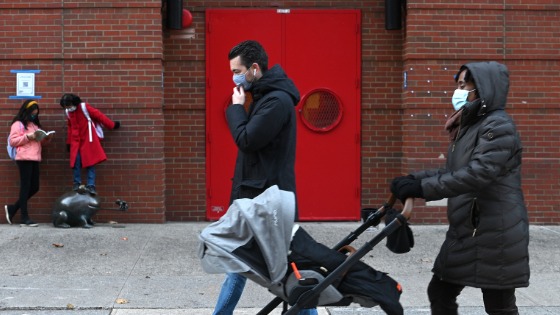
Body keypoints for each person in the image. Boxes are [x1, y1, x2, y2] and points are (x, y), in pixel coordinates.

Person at [390, 61, 529, 315]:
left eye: (464, 84)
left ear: (484, 88)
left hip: (495, 231)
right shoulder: (469, 126)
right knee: (440, 292)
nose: (459, 90)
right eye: (458, 84)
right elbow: (454, 172)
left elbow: (478, 174)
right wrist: (414, 179)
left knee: (499, 307)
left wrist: (423, 189)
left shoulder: (497, 126)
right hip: (468, 228)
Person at [212, 40, 316, 315]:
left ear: (254, 68)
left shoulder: (276, 101)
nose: (233, 76)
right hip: (259, 197)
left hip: (267, 200)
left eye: (237, 70)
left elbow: (247, 139)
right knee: (246, 264)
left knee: (277, 269)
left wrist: (236, 108)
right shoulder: (265, 97)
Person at [5, 99, 54, 226]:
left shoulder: (34, 125)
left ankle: (13, 209)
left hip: (35, 158)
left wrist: (46, 138)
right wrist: (28, 136)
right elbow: (13, 141)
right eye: (32, 113)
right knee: (25, 187)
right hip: (24, 158)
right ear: (26, 111)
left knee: (35, 187)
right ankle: (24, 218)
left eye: (36, 113)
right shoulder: (18, 124)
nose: (34, 115)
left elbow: (37, 141)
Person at [59, 93, 120, 196]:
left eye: (69, 106)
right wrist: (69, 143)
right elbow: (70, 127)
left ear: (74, 103)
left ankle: (91, 185)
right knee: (76, 163)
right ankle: (77, 183)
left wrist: (112, 125)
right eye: (66, 107)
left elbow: (99, 116)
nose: (68, 108)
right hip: (76, 141)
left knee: (90, 163)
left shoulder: (84, 107)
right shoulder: (68, 112)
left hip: (88, 139)